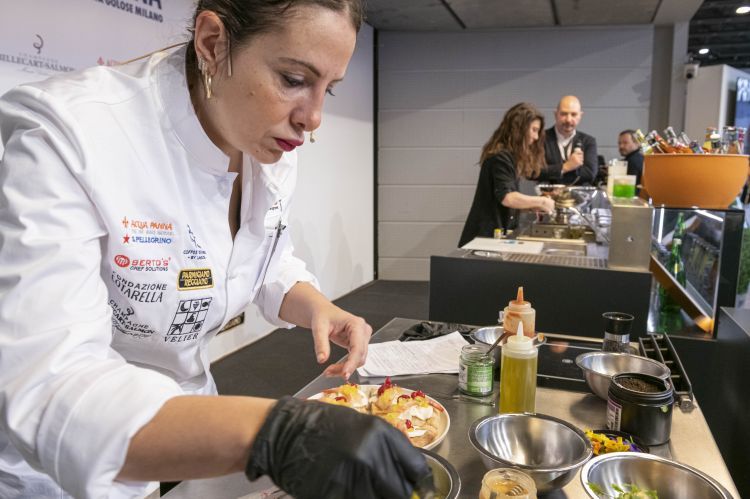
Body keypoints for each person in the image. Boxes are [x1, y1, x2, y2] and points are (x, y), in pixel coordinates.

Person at [0, 1, 432, 498]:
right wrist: (276, 433)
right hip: (68, 465)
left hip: (194, 431)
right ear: (212, 42)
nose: (313, 118)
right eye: (293, 79)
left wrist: (316, 305)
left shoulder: (264, 139)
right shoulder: (69, 135)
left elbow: (260, 253)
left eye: (327, 89)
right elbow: (52, 386)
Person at [458, 103, 555, 247]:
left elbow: (504, 200)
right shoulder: (500, 157)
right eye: (534, 130)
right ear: (520, 128)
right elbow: (507, 198)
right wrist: (541, 202)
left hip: (494, 238)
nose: (535, 137)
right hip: (484, 239)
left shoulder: (509, 157)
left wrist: (530, 206)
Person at [543, 95, 598, 185]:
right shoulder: (541, 139)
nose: (568, 119)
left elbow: (590, 174)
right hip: (546, 196)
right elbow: (535, 172)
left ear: (580, 116)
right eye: (564, 114)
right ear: (556, 114)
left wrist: (553, 173)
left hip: (580, 197)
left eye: (574, 114)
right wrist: (566, 167)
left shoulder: (588, 141)